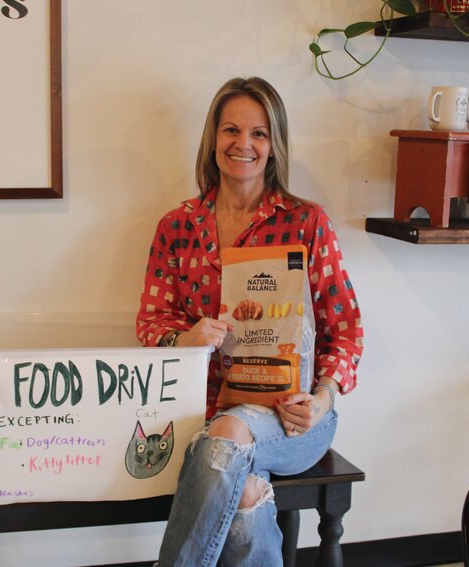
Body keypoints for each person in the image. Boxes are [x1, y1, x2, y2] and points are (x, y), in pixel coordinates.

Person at [136, 77, 363, 567]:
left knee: (228, 436)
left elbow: (346, 330)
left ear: (275, 144)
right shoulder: (178, 227)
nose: (243, 144)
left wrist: (321, 399)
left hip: (293, 418)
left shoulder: (307, 223)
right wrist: (186, 337)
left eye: (259, 133)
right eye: (231, 130)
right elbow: (152, 322)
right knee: (243, 486)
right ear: (213, 139)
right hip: (204, 412)